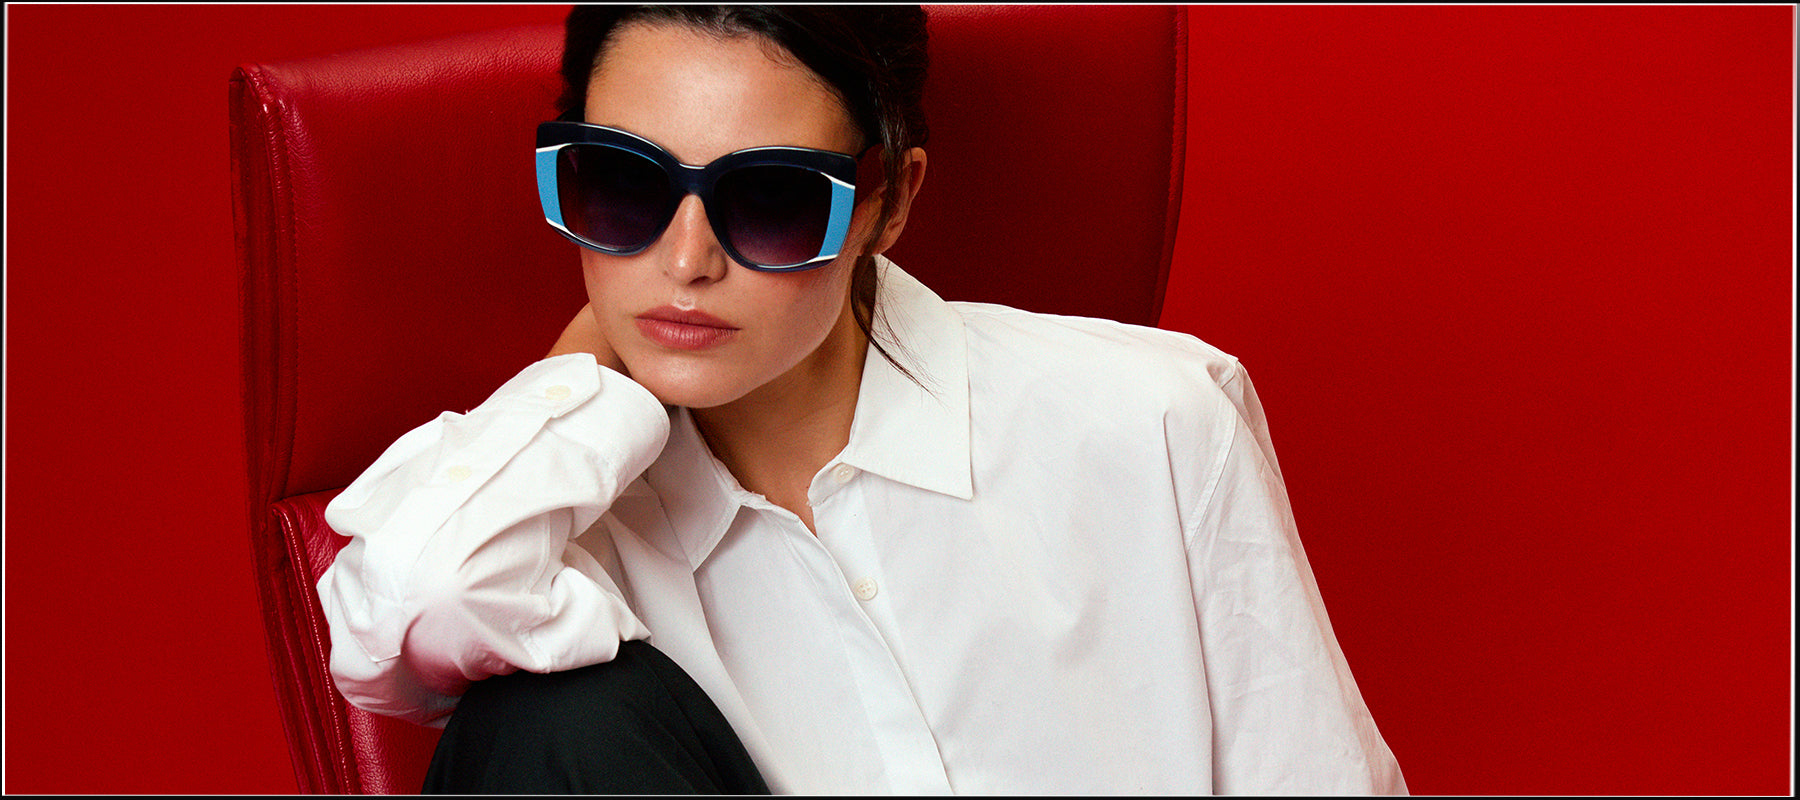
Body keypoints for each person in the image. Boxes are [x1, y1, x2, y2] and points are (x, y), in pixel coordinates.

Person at [316, 5, 1407, 795]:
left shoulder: (1156, 421)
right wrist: (588, 377)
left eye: (771, 200)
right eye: (622, 186)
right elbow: (410, 604)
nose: (686, 261)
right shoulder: (560, 534)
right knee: (544, 717)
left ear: (889, 202)